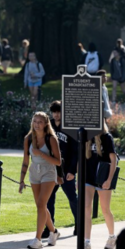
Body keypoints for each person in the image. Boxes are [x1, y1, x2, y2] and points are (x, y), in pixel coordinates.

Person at [20, 111, 61, 249]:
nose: (37, 124)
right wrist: (21, 180)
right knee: (40, 205)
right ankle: (54, 232)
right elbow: (25, 161)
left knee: (41, 203)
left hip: (48, 171)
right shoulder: (28, 138)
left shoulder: (51, 139)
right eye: (35, 121)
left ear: (45, 124)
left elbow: (58, 161)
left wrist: (41, 154)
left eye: (40, 122)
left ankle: (38, 239)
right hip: (34, 172)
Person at [82, 127, 119, 249]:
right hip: (88, 178)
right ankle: (87, 241)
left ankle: (112, 236)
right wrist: (78, 179)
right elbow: (80, 160)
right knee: (86, 207)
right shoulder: (85, 136)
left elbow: (113, 160)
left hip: (102, 177)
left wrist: (109, 180)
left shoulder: (106, 137)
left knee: (105, 209)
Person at [46, 101, 79, 239]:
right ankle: (49, 228)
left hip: (66, 170)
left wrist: (72, 171)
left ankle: (80, 225)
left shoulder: (70, 127)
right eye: (54, 112)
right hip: (51, 169)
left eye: (58, 112)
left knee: (72, 197)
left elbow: (76, 151)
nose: (56, 114)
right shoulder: (48, 126)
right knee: (48, 199)